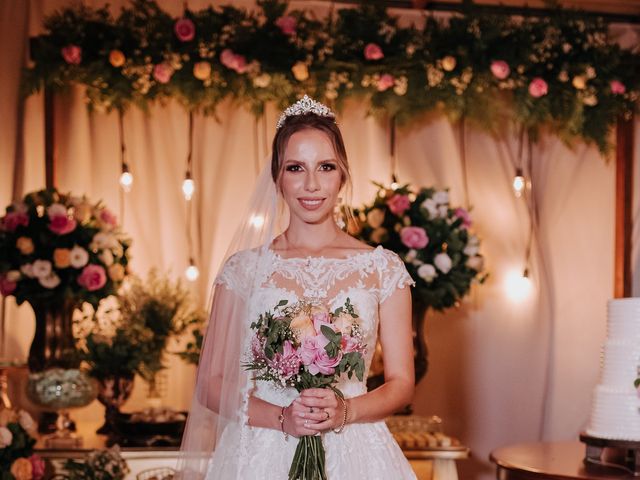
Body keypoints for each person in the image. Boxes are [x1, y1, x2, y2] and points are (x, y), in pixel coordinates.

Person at [178, 96, 417, 479]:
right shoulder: (244, 270)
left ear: (343, 175)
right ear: (277, 176)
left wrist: (345, 411)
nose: (311, 184)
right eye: (295, 168)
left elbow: (402, 383)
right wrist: (282, 418)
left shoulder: (381, 268)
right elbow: (210, 384)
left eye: (325, 167)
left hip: (357, 451)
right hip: (260, 450)